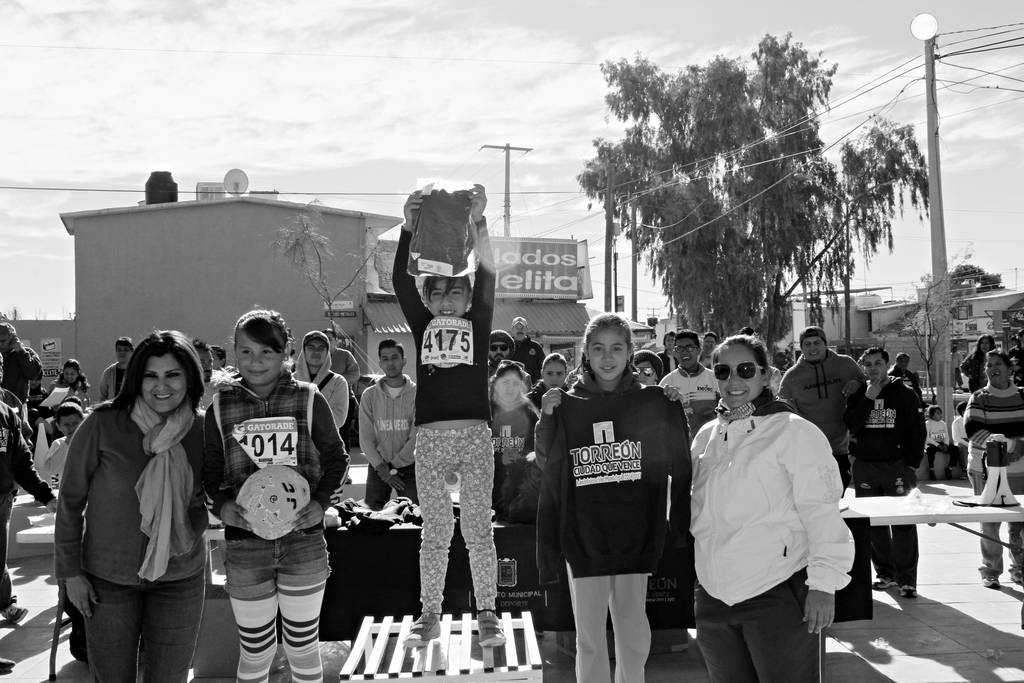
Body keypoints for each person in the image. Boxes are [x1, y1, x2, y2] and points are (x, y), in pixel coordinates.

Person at [536, 313, 691, 683]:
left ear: (630, 353)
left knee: (633, 632)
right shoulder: (567, 404)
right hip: (583, 536)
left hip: (635, 535)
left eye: (617, 348)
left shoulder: (650, 401)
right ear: (586, 354)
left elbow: (677, 457)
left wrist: (671, 408)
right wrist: (547, 418)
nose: (607, 358)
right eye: (598, 349)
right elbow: (545, 461)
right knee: (588, 637)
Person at [691, 333, 854, 683]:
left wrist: (824, 585)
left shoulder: (794, 431)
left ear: (765, 375)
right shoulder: (706, 436)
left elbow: (822, 512)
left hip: (776, 594)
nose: (733, 380)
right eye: (723, 371)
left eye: (745, 370)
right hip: (714, 599)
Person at [204, 310, 349, 682]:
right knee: (256, 652)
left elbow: (337, 458)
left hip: (303, 543)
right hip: (245, 546)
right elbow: (209, 472)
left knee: (302, 647)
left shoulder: (309, 398)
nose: (255, 361)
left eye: (266, 352)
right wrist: (222, 507)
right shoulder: (220, 407)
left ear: (285, 351)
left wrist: (320, 502)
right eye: (246, 351)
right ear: (235, 353)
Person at [54, 331, 208, 680]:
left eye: (173, 374)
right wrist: (70, 572)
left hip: (180, 578)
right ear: (137, 377)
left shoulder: (202, 429)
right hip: (108, 580)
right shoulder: (102, 423)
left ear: (190, 378)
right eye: (151, 375)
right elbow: (70, 501)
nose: (161, 386)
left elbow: (218, 492)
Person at [393, 185, 505, 648]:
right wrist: (407, 228)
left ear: (467, 298)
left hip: (475, 436)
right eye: (436, 293)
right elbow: (402, 283)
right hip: (432, 440)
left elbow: (489, 275)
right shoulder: (423, 325)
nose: (445, 301)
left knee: (478, 530)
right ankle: (429, 614)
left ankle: (488, 613)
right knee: (435, 531)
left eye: (454, 293)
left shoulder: (478, 323)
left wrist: (478, 222)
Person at [844, 347, 927, 599]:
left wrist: (911, 463)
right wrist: (868, 398)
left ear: (886, 365)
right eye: (868, 364)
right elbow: (851, 423)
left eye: (877, 363)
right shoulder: (859, 392)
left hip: (898, 466)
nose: (873, 369)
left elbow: (917, 430)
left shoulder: (905, 393)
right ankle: (885, 574)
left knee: (903, 524)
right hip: (866, 467)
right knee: (874, 524)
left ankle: (907, 580)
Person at [963, 349, 1024, 588]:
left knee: (1019, 522)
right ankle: (990, 570)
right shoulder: (979, 398)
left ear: (1010, 369)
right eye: (988, 365)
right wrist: (1009, 446)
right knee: (990, 522)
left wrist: (1020, 447)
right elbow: (974, 431)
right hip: (988, 472)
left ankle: (1019, 569)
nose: (992, 368)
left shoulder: (1022, 396)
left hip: (1021, 472)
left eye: (998, 363)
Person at [779, 326, 865, 490]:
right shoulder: (791, 376)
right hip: (808, 452)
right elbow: (783, 412)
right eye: (807, 344)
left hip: (839, 448)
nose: (812, 348)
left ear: (825, 344)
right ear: (801, 347)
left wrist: (858, 383)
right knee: (813, 497)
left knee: (839, 491)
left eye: (817, 342)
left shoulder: (845, 364)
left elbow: (866, 384)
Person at [360, 339, 418, 509]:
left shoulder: (417, 394)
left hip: (409, 466)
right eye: (385, 359)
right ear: (380, 363)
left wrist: (393, 467)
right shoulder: (369, 395)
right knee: (372, 515)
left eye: (394, 357)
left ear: (404, 360)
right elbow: (366, 437)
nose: (390, 363)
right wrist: (382, 468)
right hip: (378, 465)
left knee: (414, 514)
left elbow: (417, 436)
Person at [489, 360, 540, 522]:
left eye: (515, 383)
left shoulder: (530, 413)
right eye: (505, 382)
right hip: (488, 488)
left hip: (520, 493)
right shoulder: (486, 412)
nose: (510, 388)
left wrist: (521, 457)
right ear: (496, 383)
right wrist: (498, 457)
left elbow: (538, 451)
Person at [660, 329, 719, 435]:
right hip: (679, 441)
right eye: (680, 348)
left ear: (699, 350)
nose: (684, 352)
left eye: (690, 347)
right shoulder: (667, 382)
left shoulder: (714, 379)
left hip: (710, 440)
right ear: (675, 352)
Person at [294, 330, 350, 435]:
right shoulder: (291, 380)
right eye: (311, 347)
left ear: (327, 352)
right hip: (297, 442)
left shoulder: (338, 382)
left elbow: (338, 419)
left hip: (326, 442)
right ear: (303, 351)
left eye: (321, 348)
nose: (316, 352)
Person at [35, 400, 85, 488]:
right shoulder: (58, 444)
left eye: (75, 424)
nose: (72, 428)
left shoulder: (93, 441)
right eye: (66, 425)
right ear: (58, 426)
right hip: (69, 491)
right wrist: (67, 443)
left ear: (83, 422)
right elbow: (51, 470)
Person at [0, 321, 42, 403]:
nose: (0, 344)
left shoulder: (27, 353)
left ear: (13, 340)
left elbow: (33, 374)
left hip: (18, 404)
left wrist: (21, 353)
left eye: (3, 341)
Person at [924, 405, 956, 481]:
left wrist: (946, 444)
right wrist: (938, 445)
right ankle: (931, 470)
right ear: (932, 415)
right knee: (930, 450)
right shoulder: (927, 424)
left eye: (940, 413)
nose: (940, 415)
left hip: (942, 444)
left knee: (955, 449)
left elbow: (946, 436)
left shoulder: (943, 423)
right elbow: (927, 438)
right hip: (932, 444)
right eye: (937, 413)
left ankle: (949, 468)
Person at [98, 336, 134, 402]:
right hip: (113, 408)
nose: (122, 353)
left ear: (132, 351)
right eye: (119, 350)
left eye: (125, 350)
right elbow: (102, 397)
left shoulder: (137, 371)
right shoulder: (108, 373)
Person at [509, 316, 543, 380]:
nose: (520, 330)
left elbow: (544, 368)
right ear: (512, 329)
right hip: (511, 385)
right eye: (517, 327)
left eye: (522, 327)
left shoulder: (536, 347)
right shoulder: (507, 347)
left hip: (532, 385)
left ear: (527, 329)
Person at [951, 400, 969, 479]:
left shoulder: (974, 420)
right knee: (962, 448)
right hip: (962, 442)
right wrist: (967, 444)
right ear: (961, 411)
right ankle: (965, 471)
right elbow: (956, 438)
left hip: (972, 440)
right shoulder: (956, 422)